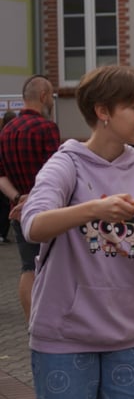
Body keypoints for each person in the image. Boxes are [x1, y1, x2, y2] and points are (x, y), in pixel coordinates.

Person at [19, 65, 134, 399]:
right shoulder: (66, 163)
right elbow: (33, 225)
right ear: (103, 111)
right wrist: (94, 209)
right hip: (62, 338)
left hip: (128, 337)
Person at [0, 76, 60, 322]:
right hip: (48, 211)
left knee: (28, 268)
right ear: (44, 96)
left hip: (18, 212)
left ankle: (32, 324)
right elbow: (55, 174)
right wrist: (34, 198)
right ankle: (52, 323)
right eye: (51, 95)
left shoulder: (6, 130)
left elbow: (1, 176)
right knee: (54, 267)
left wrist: (18, 198)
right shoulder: (47, 128)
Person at [0, 110, 16, 243]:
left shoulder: (3, 135)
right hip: (6, 178)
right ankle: (2, 233)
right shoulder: (10, 136)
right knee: (4, 206)